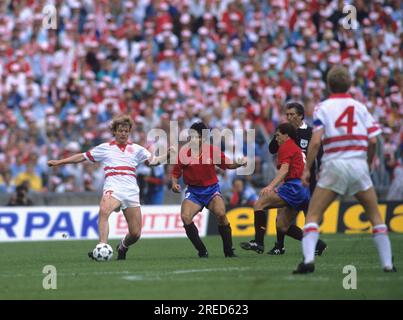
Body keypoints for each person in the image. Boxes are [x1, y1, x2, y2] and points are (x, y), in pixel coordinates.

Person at [293, 66, 396, 274]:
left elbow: (314, 143)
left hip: (334, 165)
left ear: (329, 85)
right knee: (375, 216)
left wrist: (306, 170)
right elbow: (374, 141)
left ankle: (309, 260)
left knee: (313, 215)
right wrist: (367, 163)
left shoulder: (323, 107)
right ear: (350, 84)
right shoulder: (360, 107)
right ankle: (387, 264)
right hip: (358, 165)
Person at [48, 115, 170, 260]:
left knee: (135, 233)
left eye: (126, 131)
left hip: (131, 192)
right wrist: (59, 162)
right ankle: (102, 245)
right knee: (104, 210)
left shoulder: (137, 149)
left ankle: (123, 246)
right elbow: (82, 156)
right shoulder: (105, 148)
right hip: (113, 187)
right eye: (120, 131)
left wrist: (166, 156)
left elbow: (153, 162)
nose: (123, 133)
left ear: (129, 132)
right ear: (114, 132)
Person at [171, 122, 246, 258]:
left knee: (221, 214)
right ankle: (202, 250)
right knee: (185, 217)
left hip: (211, 190)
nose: (193, 139)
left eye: (197, 137)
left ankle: (228, 251)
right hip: (193, 192)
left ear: (203, 138)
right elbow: (175, 173)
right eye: (191, 136)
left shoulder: (212, 150)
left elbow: (228, 165)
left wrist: (239, 163)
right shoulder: (184, 153)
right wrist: (174, 184)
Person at [265, 102, 326, 255]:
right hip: (291, 182)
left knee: (309, 219)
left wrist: (320, 174)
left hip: (308, 183)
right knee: (281, 220)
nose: (289, 117)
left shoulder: (310, 133)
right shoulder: (284, 132)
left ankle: (314, 245)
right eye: (287, 114)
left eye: (292, 114)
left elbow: (320, 155)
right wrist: (278, 134)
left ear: (300, 116)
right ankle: (280, 246)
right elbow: (272, 149)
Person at [240, 123, 311, 254]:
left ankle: (259, 242)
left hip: (294, 187)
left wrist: (270, 186)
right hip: (302, 187)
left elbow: (284, 169)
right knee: (282, 225)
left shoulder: (286, 146)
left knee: (260, 203)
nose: (276, 139)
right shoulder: (295, 147)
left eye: (278, 135)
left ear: (286, 136)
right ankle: (318, 245)